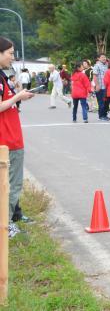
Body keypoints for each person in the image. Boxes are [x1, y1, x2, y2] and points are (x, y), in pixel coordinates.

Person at [0, 37, 35, 238]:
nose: (13, 57)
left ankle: (9, 220)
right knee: (11, 185)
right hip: (8, 139)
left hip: (10, 136)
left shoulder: (3, 76)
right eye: (10, 53)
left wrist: (19, 97)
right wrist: (17, 97)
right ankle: (6, 225)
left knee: (8, 184)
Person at [93, 53, 109, 120]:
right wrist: (97, 85)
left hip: (107, 87)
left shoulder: (107, 66)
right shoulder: (97, 65)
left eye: (104, 57)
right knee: (101, 102)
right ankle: (101, 116)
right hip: (100, 87)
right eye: (102, 57)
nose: (104, 58)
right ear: (99, 58)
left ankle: (105, 115)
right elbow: (94, 75)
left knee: (106, 102)